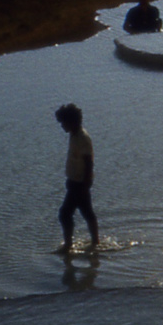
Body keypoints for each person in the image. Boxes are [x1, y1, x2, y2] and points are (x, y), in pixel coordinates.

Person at [55, 103, 97, 253]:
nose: (62, 126)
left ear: (72, 122)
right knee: (86, 212)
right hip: (74, 181)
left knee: (65, 214)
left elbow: (89, 162)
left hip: (80, 183)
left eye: (63, 123)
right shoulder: (74, 135)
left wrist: (86, 183)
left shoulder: (82, 138)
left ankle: (68, 246)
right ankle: (95, 242)